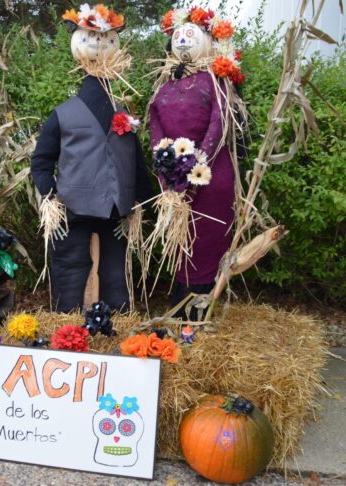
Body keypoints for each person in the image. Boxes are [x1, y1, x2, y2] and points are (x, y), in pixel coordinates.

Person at [31, 4, 152, 313]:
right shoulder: (62, 114)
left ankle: (118, 321)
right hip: (74, 209)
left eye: (107, 39)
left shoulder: (124, 114)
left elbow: (135, 161)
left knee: (116, 273)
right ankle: (67, 324)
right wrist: (51, 196)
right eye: (93, 38)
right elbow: (41, 161)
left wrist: (145, 199)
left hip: (116, 208)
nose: (100, 44)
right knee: (70, 269)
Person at [149, 7, 246, 317]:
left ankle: (202, 309)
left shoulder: (217, 84)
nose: (183, 40)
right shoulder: (164, 87)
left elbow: (218, 128)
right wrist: (166, 169)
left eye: (191, 35)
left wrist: (194, 166)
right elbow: (156, 127)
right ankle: (180, 308)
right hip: (175, 182)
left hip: (211, 176)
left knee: (205, 240)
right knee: (181, 243)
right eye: (178, 35)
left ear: (208, 40)